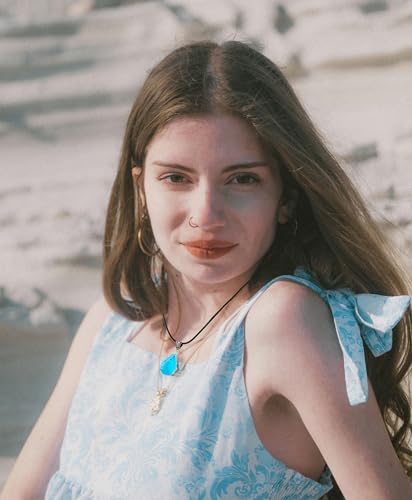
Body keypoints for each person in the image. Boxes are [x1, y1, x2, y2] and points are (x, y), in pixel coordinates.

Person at [2, 40, 412, 500]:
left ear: (285, 197)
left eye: (242, 179)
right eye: (176, 177)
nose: (206, 215)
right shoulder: (113, 321)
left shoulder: (285, 321)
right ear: (141, 190)